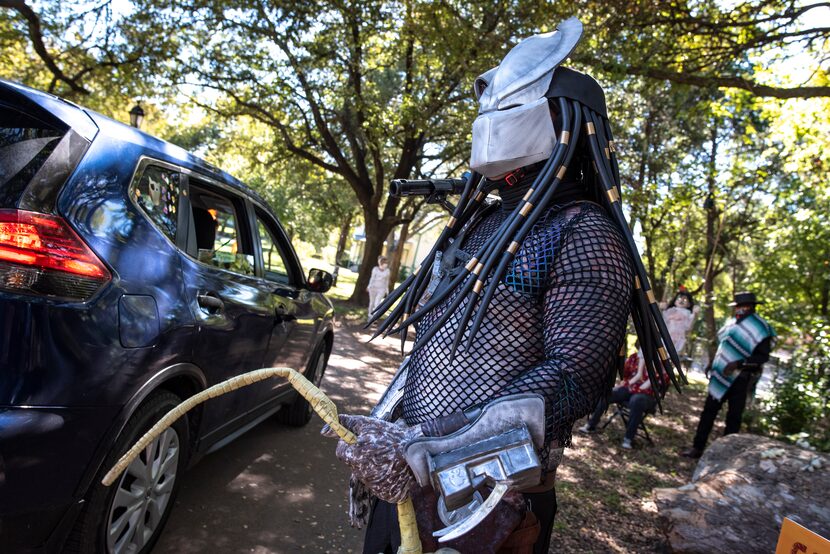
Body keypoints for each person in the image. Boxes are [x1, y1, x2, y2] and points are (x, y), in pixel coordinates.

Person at [324, 18, 681, 553]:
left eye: (508, 108)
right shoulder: (480, 222)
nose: (490, 121)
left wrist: (440, 451)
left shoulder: (585, 233)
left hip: (492, 501)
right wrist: (384, 428)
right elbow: (436, 348)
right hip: (407, 483)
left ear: (562, 121)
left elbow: (573, 376)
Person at [681, 291, 775, 459]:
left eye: (740, 306)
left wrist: (738, 364)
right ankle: (697, 447)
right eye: (737, 306)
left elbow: (763, 356)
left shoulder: (761, 327)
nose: (737, 309)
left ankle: (725, 456)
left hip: (742, 379)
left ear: (749, 307)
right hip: (720, 375)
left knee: (733, 417)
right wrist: (713, 363)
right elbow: (724, 346)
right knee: (708, 412)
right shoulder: (732, 323)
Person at [578, 347, 669, 449]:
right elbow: (625, 374)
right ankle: (591, 425)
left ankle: (628, 439)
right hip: (630, 388)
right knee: (608, 393)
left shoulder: (662, 362)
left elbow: (663, 383)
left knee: (636, 401)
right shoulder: (635, 358)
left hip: (648, 394)